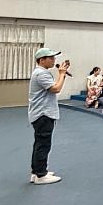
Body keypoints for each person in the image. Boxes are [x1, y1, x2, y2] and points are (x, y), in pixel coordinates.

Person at [27, 48, 70, 185]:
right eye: (50, 58)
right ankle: (41, 175)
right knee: (44, 144)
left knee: (39, 143)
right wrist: (62, 74)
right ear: (42, 60)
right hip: (43, 113)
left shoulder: (41, 72)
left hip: (41, 113)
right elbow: (56, 89)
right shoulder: (41, 74)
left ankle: (36, 172)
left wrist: (61, 73)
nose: (54, 60)